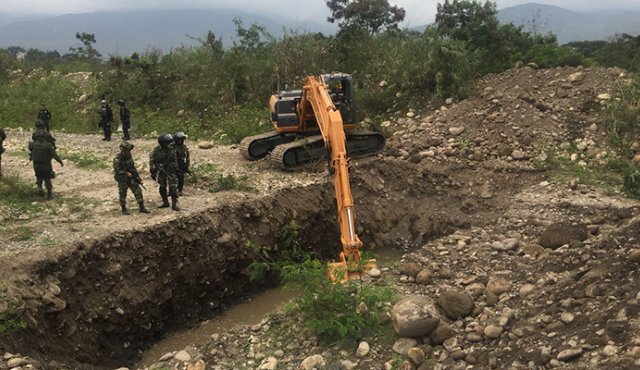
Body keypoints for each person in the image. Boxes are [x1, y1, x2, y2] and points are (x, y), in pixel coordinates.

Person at [113, 141, 150, 215]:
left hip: (131, 178)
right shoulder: (117, 159)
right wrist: (125, 173)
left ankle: (142, 207)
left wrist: (138, 178)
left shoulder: (129, 156)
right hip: (122, 179)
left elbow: (132, 168)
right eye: (127, 150)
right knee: (123, 194)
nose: (128, 152)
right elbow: (117, 170)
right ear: (123, 150)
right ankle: (123, 209)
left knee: (138, 192)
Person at [150, 134, 180, 211]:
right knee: (162, 187)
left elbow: (175, 160)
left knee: (173, 187)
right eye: (167, 143)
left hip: (170, 171)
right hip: (161, 171)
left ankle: (174, 203)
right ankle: (165, 202)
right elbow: (152, 161)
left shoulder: (171, 150)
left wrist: (174, 169)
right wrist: (153, 171)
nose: (168, 144)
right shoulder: (156, 151)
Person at [28, 133, 63, 200]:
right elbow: (54, 155)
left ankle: (40, 190)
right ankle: (49, 195)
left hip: (36, 165)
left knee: (39, 177)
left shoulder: (33, 144)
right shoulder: (48, 145)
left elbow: (30, 150)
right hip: (46, 165)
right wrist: (60, 161)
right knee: (47, 178)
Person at [174, 131, 190, 196]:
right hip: (174, 164)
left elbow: (187, 155)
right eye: (179, 140)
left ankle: (180, 190)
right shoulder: (172, 147)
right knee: (172, 179)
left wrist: (186, 165)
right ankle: (172, 191)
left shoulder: (183, 147)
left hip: (181, 164)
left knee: (181, 178)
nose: (180, 141)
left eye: (181, 140)